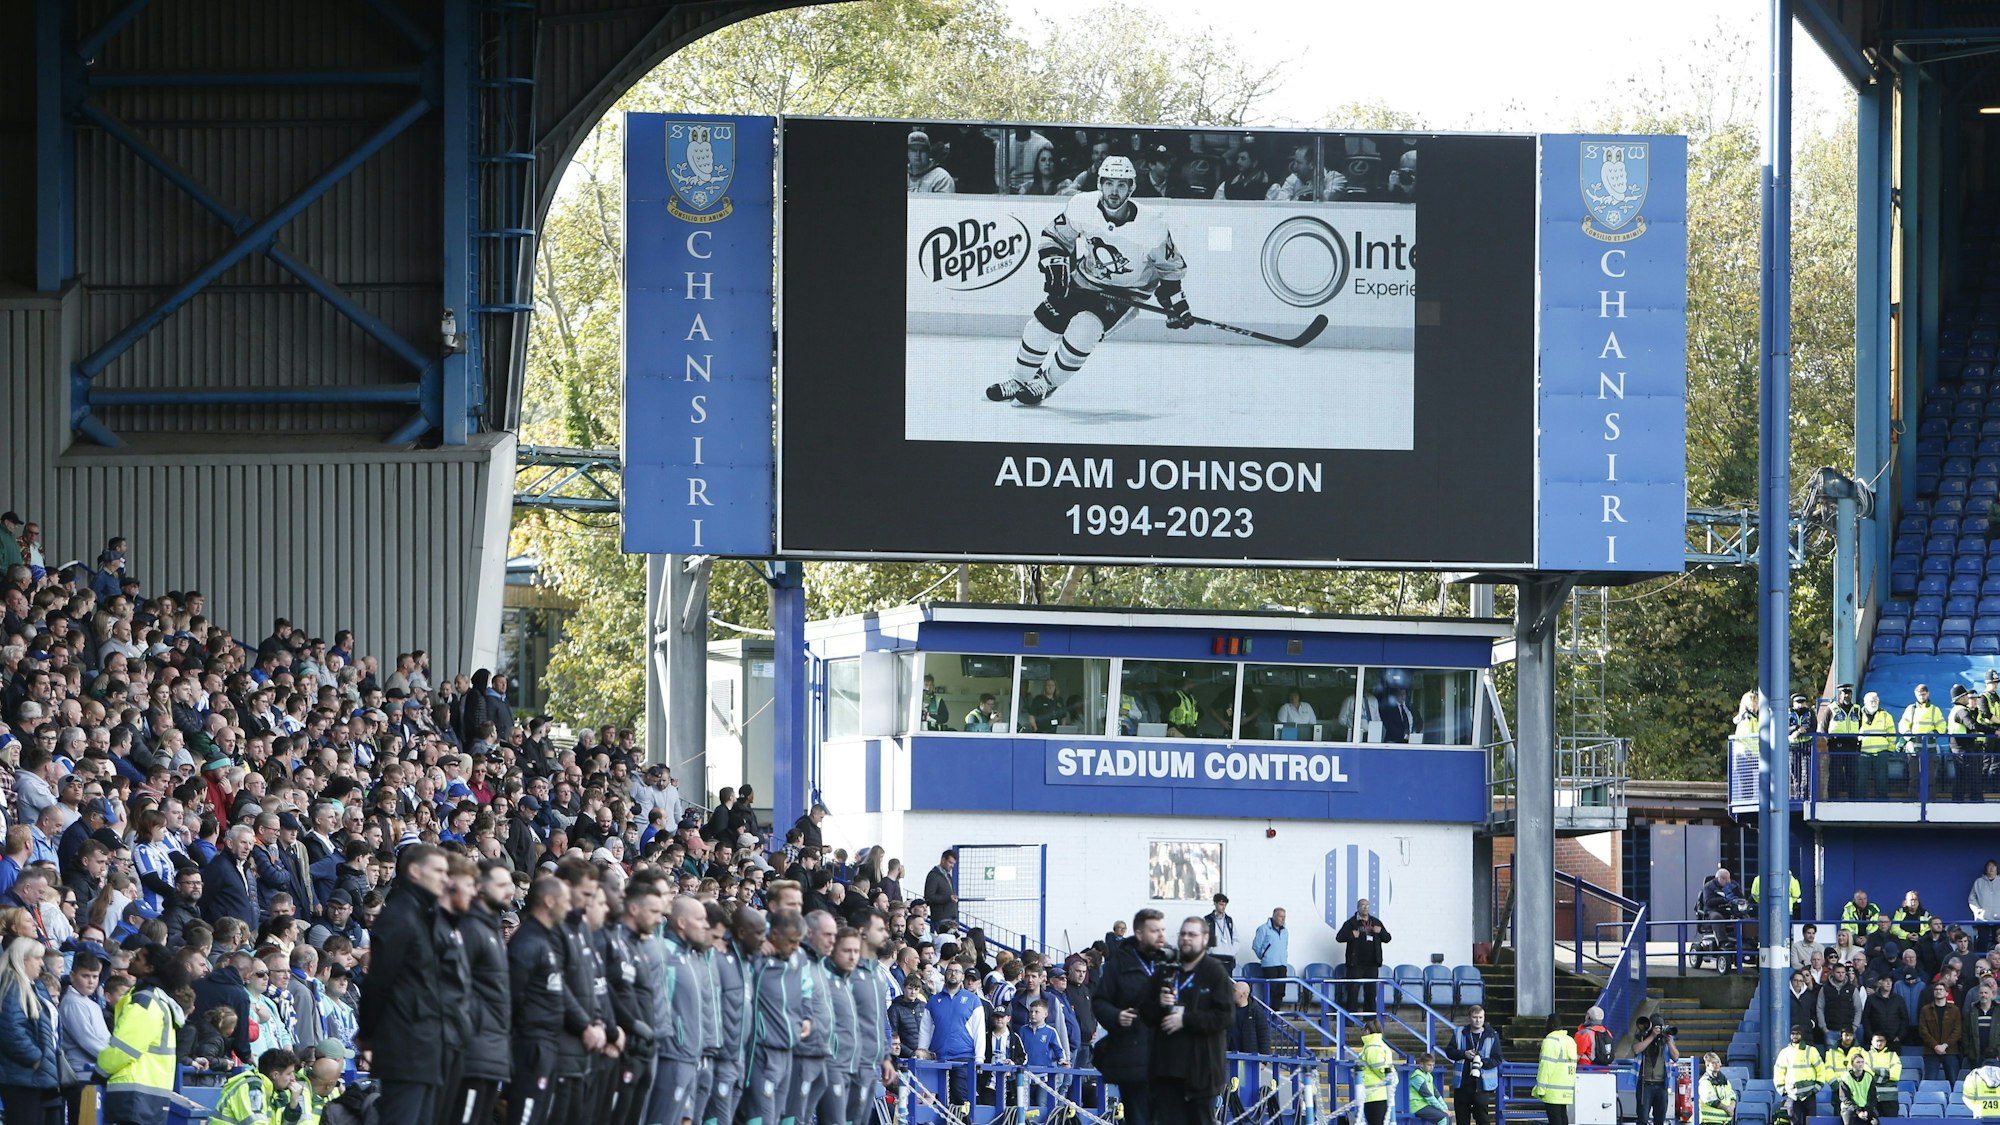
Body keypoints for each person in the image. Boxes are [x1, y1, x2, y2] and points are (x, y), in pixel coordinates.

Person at [985, 155, 1192, 406]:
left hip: (1126, 293)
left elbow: (1169, 269)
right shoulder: (1082, 205)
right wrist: (1057, 272)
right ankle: (1018, 379)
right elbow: (1055, 237)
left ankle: (1046, 383)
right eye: (1109, 184)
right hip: (1084, 281)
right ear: (1100, 184)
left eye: (1121, 185)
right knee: (1039, 327)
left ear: (1131, 187)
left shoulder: (1151, 225)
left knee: (1084, 330)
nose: (1114, 191)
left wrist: (1176, 304)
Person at [356, 843, 462, 1124]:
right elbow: (379, 981)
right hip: (406, 1044)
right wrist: (368, 1034)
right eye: (438, 870)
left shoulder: (427, 914)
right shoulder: (400, 916)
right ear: (415, 871)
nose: (445, 877)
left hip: (428, 1043)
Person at [1146, 916, 1236, 1125]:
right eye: (1183, 934)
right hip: (1167, 1071)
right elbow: (1145, 1013)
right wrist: (1158, 1003)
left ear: (1205, 939)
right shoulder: (1166, 970)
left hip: (1201, 1073)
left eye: (1192, 934)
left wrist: (1185, 1020)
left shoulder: (1215, 972)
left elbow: (1225, 1016)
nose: (1186, 939)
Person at [450, 859, 514, 1125]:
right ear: (481, 889)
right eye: (501, 884)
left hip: (491, 1049)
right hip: (473, 1051)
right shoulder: (470, 929)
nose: (509, 890)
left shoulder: (489, 929)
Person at [1095, 908, 1167, 1125]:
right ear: (1139, 933)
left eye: (1163, 929)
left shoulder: (1171, 963)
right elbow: (1099, 1002)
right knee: (1140, 1118)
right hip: (1133, 1056)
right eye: (1155, 931)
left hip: (1169, 1056)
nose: (1162, 935)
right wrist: (1116, 1016)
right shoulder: (1117, 965)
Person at [0, 937, 58, 1125]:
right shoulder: (12, 983)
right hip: (22, 1077)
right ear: (24, 959)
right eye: (37, 958)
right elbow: (10, 1029)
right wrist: (35, 1058)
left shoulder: (32, 986)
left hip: (32, 1077)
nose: (42, 963)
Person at [212, 1046, 301, 1125]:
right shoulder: (251, 1087)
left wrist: (293, 1104)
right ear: (275, 1075)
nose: (293, 1078)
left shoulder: (276, 1092)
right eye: (289, 1074)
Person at [1335, 899, 1391, 1011]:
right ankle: (1350, 1021)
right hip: (1355, 964)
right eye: (1362, 905)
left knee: (1371, 992)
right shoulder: (1351, 923)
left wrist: (1380, 932)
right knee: (1353, 991)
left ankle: (1370, 1021)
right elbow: (1339, 937)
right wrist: (1351, 935)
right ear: (1358, 908)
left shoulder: (1376, 922)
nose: (1365, 908)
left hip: (1372, 964)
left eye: (1367, 905)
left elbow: (1387, 938)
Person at [1449, 1005, 1501, 1125]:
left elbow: (1498, 1059)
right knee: (1462, 1118)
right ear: (1469, 1018)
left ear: (1484, 1018)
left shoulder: (1492, 1035)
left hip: (1482, 1085)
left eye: (1480, 1017)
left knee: (1482, 1117)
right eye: (1475, 1017)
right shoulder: (1459, 1032)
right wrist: (1464, 1054)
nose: (1478, 1020)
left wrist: (1484, 1063)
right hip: (1462, 1083)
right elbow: (1449, 1052)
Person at [1630, 1015, 1679, 1125]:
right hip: (1645, 1084)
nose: (1658, 1030)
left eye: (1660, 1028)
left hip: (1661, 1085)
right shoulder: (1642, 1036)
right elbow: (1636, 1049)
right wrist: (1652, 1036)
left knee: (1660, 1119)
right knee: (1642, 1119)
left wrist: (1670, 1042)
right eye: (1656, 1027)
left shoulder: (1665, 1040)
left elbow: (1676, 1057)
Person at [1776, 1024, 1827, 1125]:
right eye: (1793, 1034)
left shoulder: (1811, 1051)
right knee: (1795, 1123)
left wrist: (1817, 1087)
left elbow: (1821, 1069)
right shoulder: (1784, 1052)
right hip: (1792, 1095)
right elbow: (1778, 1072)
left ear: (1802, 1035)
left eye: (1798, 1034)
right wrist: (1782, 1089)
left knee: (1811, 1122)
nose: (1795, 1036)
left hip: (1809, 1094)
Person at [1533, 1013, 1578, 1125]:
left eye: (1546, 1023)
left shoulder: (1551, 1041)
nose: (1544, 1026)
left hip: (1552, 1090)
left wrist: (1540, 1088)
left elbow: (1546, 1067)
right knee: (1563, 1116)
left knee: (1555, 1119)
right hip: (1566, 1089)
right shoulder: (1570, 1040)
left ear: (1551, 1024)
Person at [1355, 1017, 1398, 1125]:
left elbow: (1380, 1069)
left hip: (1374, 1095)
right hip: (1380, 1094)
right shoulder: (1380, 1045)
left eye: (1363, 1029)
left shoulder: (1371, 1048)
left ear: (1367, 1031)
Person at [1920, 982, 1964, 1083]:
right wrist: (1936, 1046)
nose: (1938, 991)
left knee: (1953, 1082)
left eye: (1941, 990)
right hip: (1931, 1051)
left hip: (1950, 1050)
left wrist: (1945, 1045)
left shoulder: (1955, 1010)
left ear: (1946, 993)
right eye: (1936, 990)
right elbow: (1923, 1030)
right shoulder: (1925, 1010)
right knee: (1929, 1083)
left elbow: (1957, 1031)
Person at [1250, 907, 1288, 1008]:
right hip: (1270, 965)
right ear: (1274, 916)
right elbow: (1256, 946)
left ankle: (1276, 1015)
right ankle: (1268, 1015)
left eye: (1284, 917)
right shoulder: (1263, 929)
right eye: (1280, 916)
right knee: (1271, 991)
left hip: (1282, 964)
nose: (1283, 919)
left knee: (1280, 992)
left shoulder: (1285, 931)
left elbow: (1285, 946)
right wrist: (1264, 956)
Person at [1834, 1049, 1880, 1125]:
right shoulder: (1845, 1077)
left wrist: (1867, 1111)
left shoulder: (1869, 1077)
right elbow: (1845, 1098)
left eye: (1862, 1062)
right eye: (1858, 1062)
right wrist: (1858, 1111)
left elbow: (1873, 1097)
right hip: (1849, 1108)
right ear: (1852, 1064)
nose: (1860, 1064)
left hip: (1865, 1108)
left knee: (1876, 1123)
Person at [1203, 893, 1239, 975]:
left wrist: (1232, 951)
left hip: (1228, 959)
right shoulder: (1207, 920)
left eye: (1225, 905)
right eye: (1221, 904)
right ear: (1215, 904)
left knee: (1227, 985)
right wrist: (1210, 950)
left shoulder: (1229, 920)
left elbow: (1236, 939)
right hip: (1213, 958)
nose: (1223, 907)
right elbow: (1202, 938)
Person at [924, 850, 958, 933]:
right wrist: (948, 898)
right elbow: (929, 896)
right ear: (943, 860)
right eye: (950, 862)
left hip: (950, 916)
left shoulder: (947, 876)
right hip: (941, 918)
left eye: (953, 863)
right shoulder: (933, 875)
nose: (952, 866)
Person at [1697, 1052, 1736, 1125]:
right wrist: (1727, 1109)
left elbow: (1732, 1096)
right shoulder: (1705, 1081)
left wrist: (1731, 1107)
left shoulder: (1724, 1080)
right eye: (1713, 1063)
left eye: (1718, 1062)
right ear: (1707, 1065)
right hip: (1710, 1122)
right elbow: (1710, 1100)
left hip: (1726, 1122)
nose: (1717, 1064)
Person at [1973, 861, 2000, 952]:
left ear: (1997, 869)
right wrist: (1978, 911)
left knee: (1998, 944)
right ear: (1986, 869)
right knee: (1982, 942)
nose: (1991, 868)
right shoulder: (1979, 882)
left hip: (1998, 919)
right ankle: (1982, 964)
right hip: (1983, 919)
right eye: (1989, 866)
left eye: (1993, 866)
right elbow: (1972, 898)